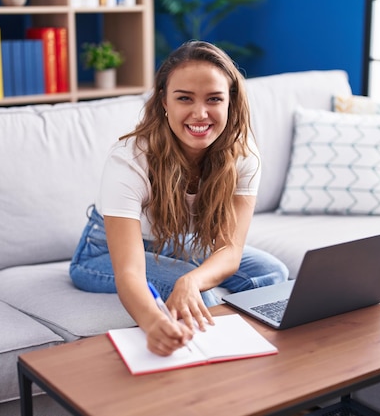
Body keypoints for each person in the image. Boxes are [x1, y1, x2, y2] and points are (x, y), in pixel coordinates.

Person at [69, 40, 288, 356]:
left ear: (231, 102)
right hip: (100, 252)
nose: (200, 113)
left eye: (214, 99)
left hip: (176, 244)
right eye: (184, 98)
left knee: (273, 275)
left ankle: (267, 357)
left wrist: (191, 280)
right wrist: (151, 321)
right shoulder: (130, 159)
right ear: (164, 102)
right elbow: (129, 272)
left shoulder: (243, 156)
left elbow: (229, 251)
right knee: (203, 300)